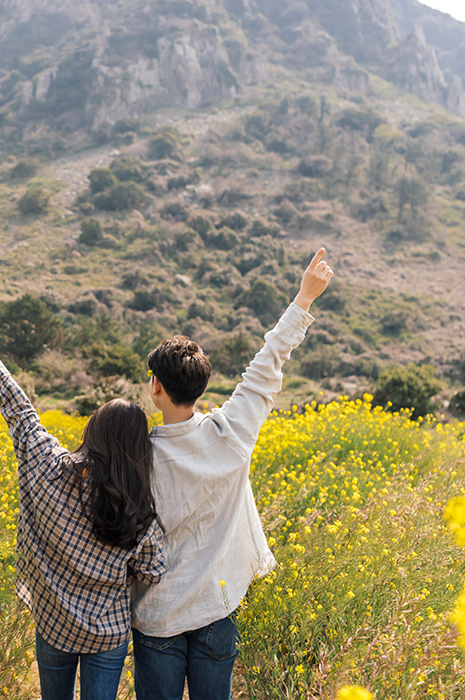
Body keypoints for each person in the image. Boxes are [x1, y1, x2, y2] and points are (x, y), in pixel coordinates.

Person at [131, 248, 333, 700]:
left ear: (156, 388)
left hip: (157, 616)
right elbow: (265, 367)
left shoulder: (139, 455)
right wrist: (303, 298)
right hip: (216, 611)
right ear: (201, 388)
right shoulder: (231, 434)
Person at [0, 312, 165, 700]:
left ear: (91, 432)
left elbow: (20, 410)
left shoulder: (47, 465)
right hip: (107, 633)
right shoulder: (138, 509)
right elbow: (152, 572)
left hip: (54, 624)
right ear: (137, 451)